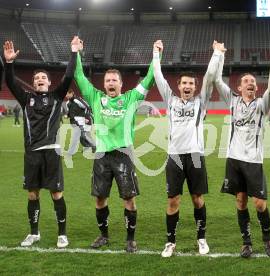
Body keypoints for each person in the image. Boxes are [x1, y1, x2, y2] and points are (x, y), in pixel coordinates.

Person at [74, 38, 155, 253]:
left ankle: (130, 239)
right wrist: (77, 53)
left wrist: (157, 54)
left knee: (129, 199)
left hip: (123, 154)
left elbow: (149, 78)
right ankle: (104, 236)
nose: (110, 83)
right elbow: (79, 76)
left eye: (114, 80)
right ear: (104, 84)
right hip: (101, 156)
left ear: (120, 84)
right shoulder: (95, 97)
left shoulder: (130, 99)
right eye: (108, 80)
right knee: (100, 199)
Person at [3, 37, 79, 248]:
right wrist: (9, 63)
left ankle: (62, 234)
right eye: (36, 78)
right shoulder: (26, 99)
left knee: (56, 194)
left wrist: (73, 52)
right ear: (34, 82)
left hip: (52, 152)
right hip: (32, 154)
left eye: (43, 77)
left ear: (49, 82)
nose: (39, 79)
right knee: (32, 193)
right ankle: (34, 233)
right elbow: (10, 82)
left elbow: (69, 74)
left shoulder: (56, 96)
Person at [153, 40, 222, 257]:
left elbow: (210, 78)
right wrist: (157, 54)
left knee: (197, 198)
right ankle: (170, 242)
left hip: (195, 156)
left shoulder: (201, 102)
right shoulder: (170, 100)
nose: (188, 87)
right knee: (173, 200)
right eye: (184, 83)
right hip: (174, 156)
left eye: (191, 84)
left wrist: (216, 54)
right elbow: (158, 76)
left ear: (195, 86)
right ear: (179, 85)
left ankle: (201, 239)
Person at [214, 40, 270, 258]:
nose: (250, 83)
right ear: (239, 87)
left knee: (260, 204)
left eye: (253, 81)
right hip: (234, 160)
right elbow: (215, 79)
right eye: (246, 81)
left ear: (256, 87)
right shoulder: (232, 100)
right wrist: (220, 55)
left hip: (254, 161)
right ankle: (246, 242)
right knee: (240, 201)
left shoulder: (263, 104)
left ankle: (267, 238)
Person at [65, 89, 95, 154]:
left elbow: (87, 107)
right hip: (73, 121)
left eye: (67, 94)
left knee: (77, 135)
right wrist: (67, 115)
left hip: (81, 121)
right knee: (83, 137)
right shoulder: (67, 103)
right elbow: (70, 112)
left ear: (72, 93)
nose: (66, 96)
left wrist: (86, 117)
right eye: (65, 94)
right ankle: (91, 146)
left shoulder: (77, 100)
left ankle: (71, 151)